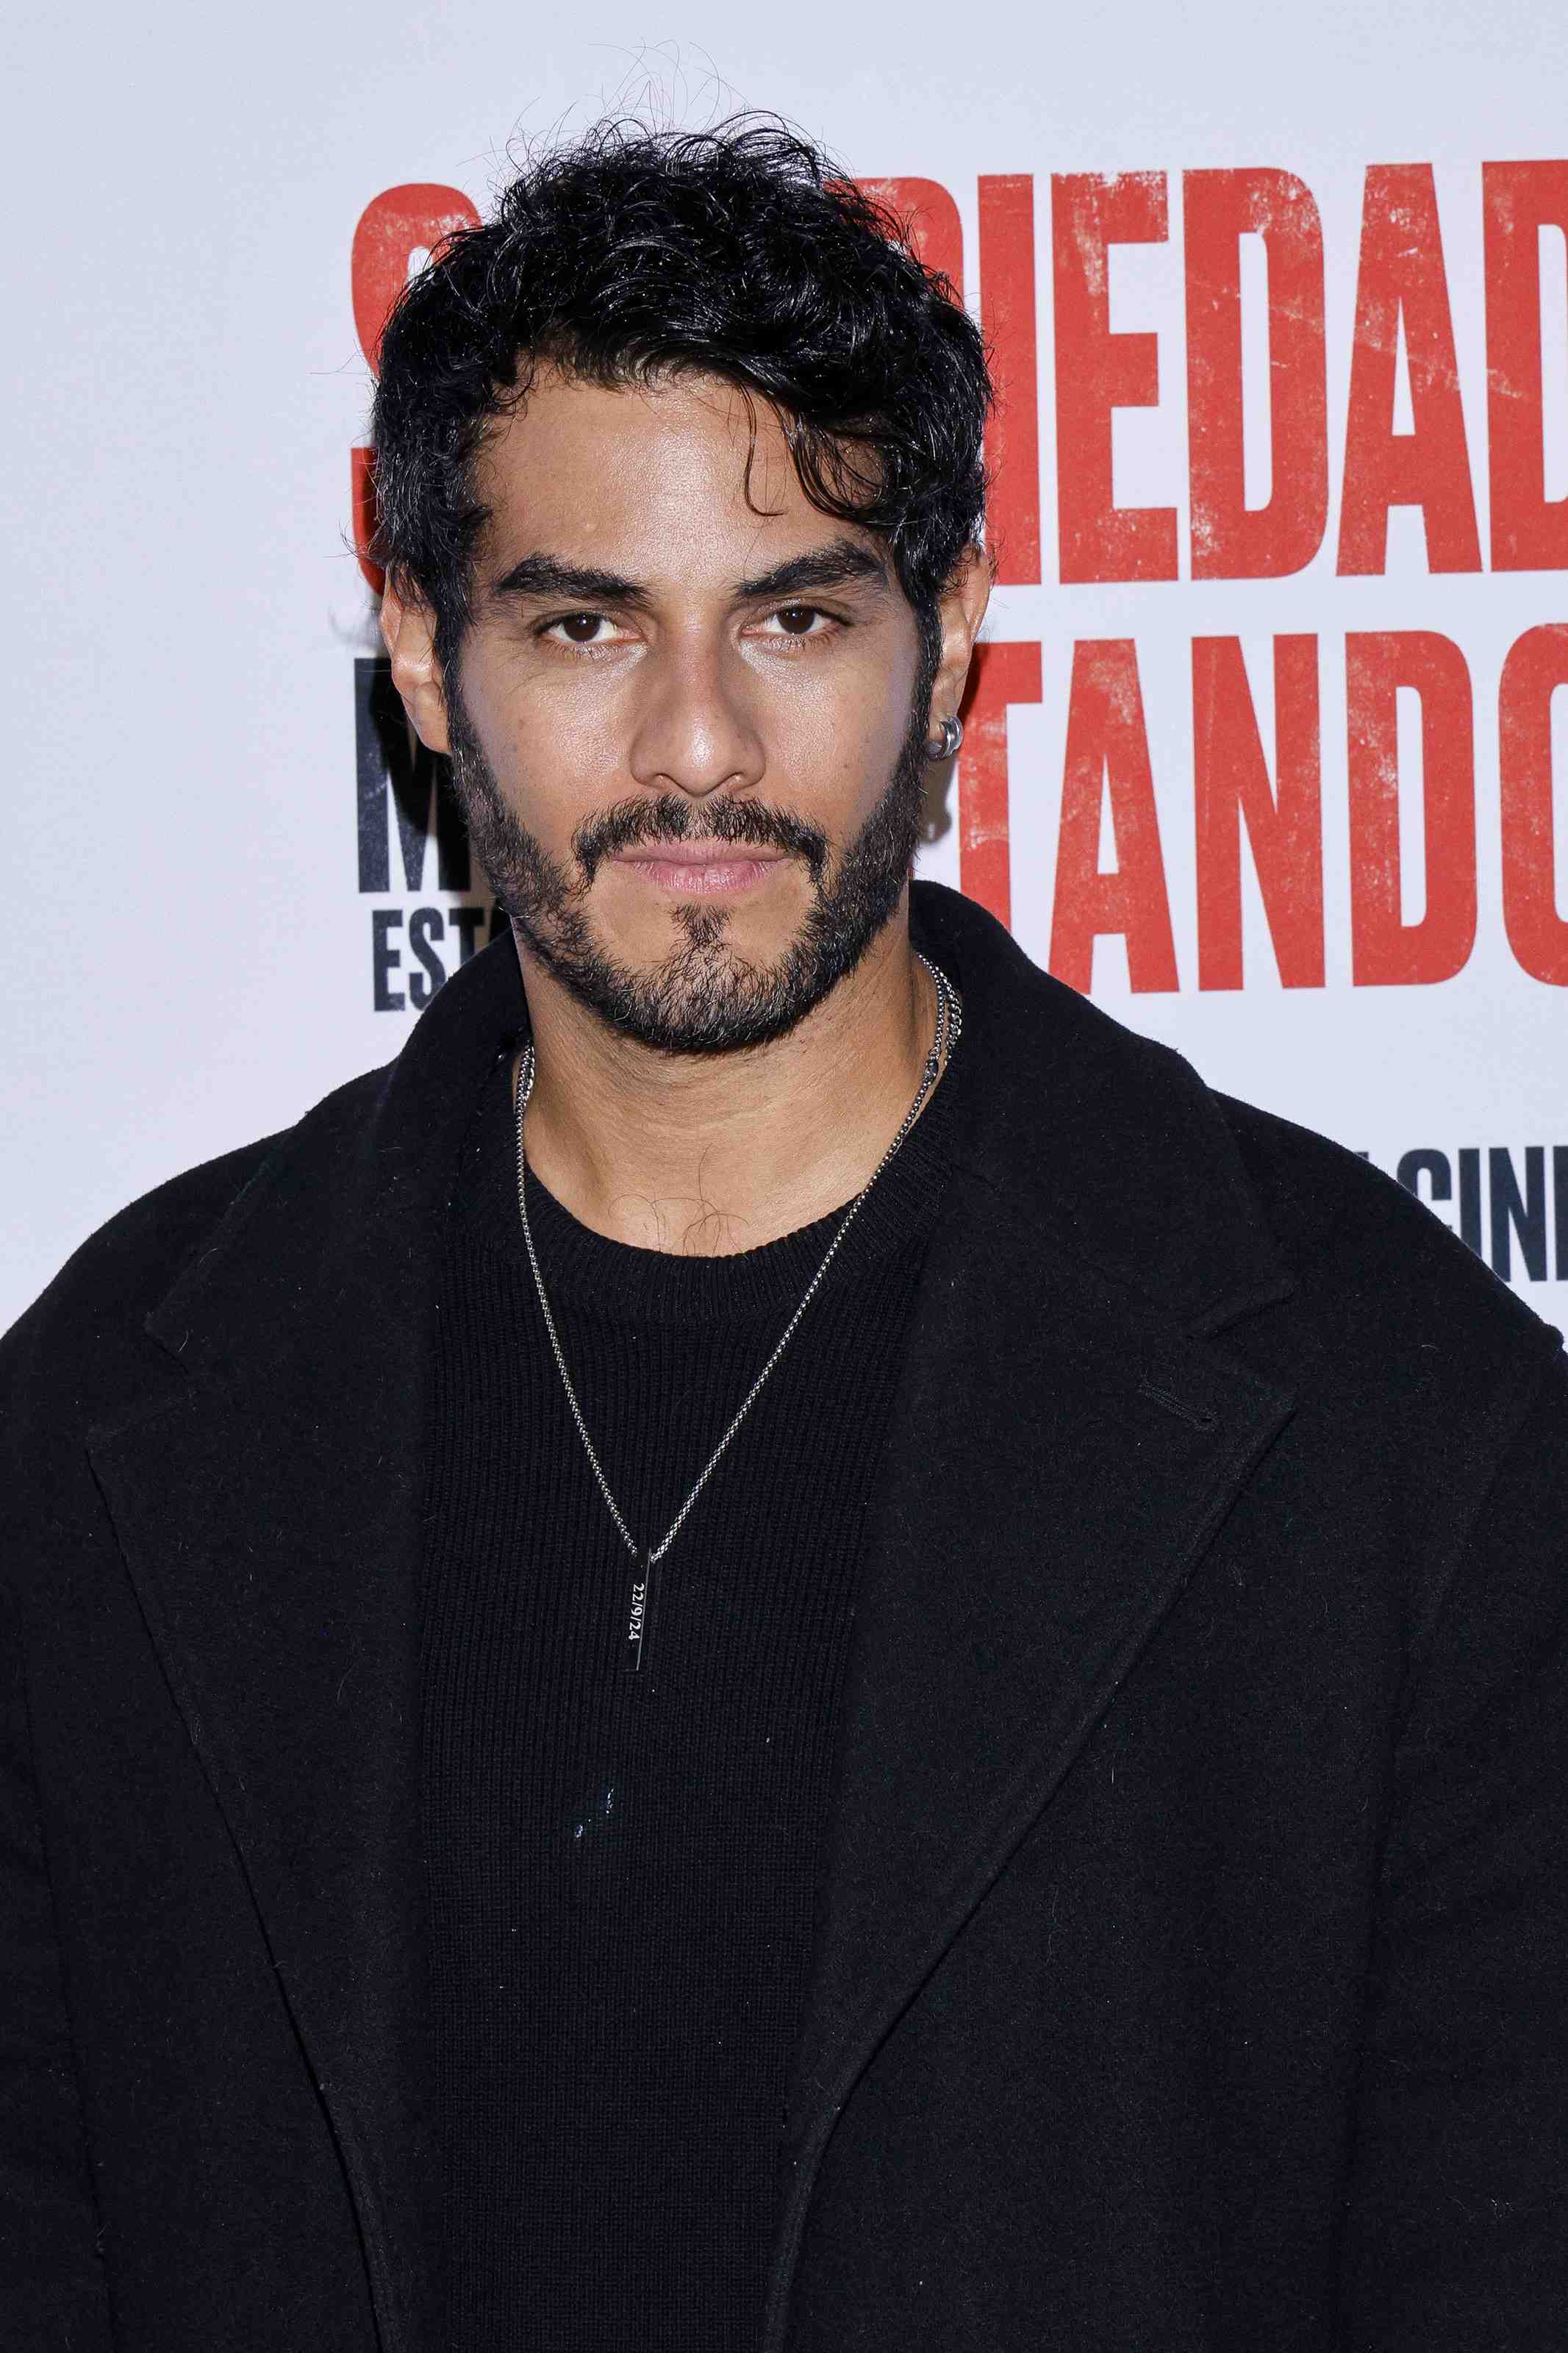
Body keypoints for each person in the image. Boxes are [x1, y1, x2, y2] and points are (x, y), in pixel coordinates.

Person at [2, 114, 1565, 2353]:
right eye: (585, 625)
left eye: (797, 617)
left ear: (953, 640)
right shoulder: (103, 1421)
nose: (700, 747)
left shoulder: (1407, 1428)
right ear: (424, 655)